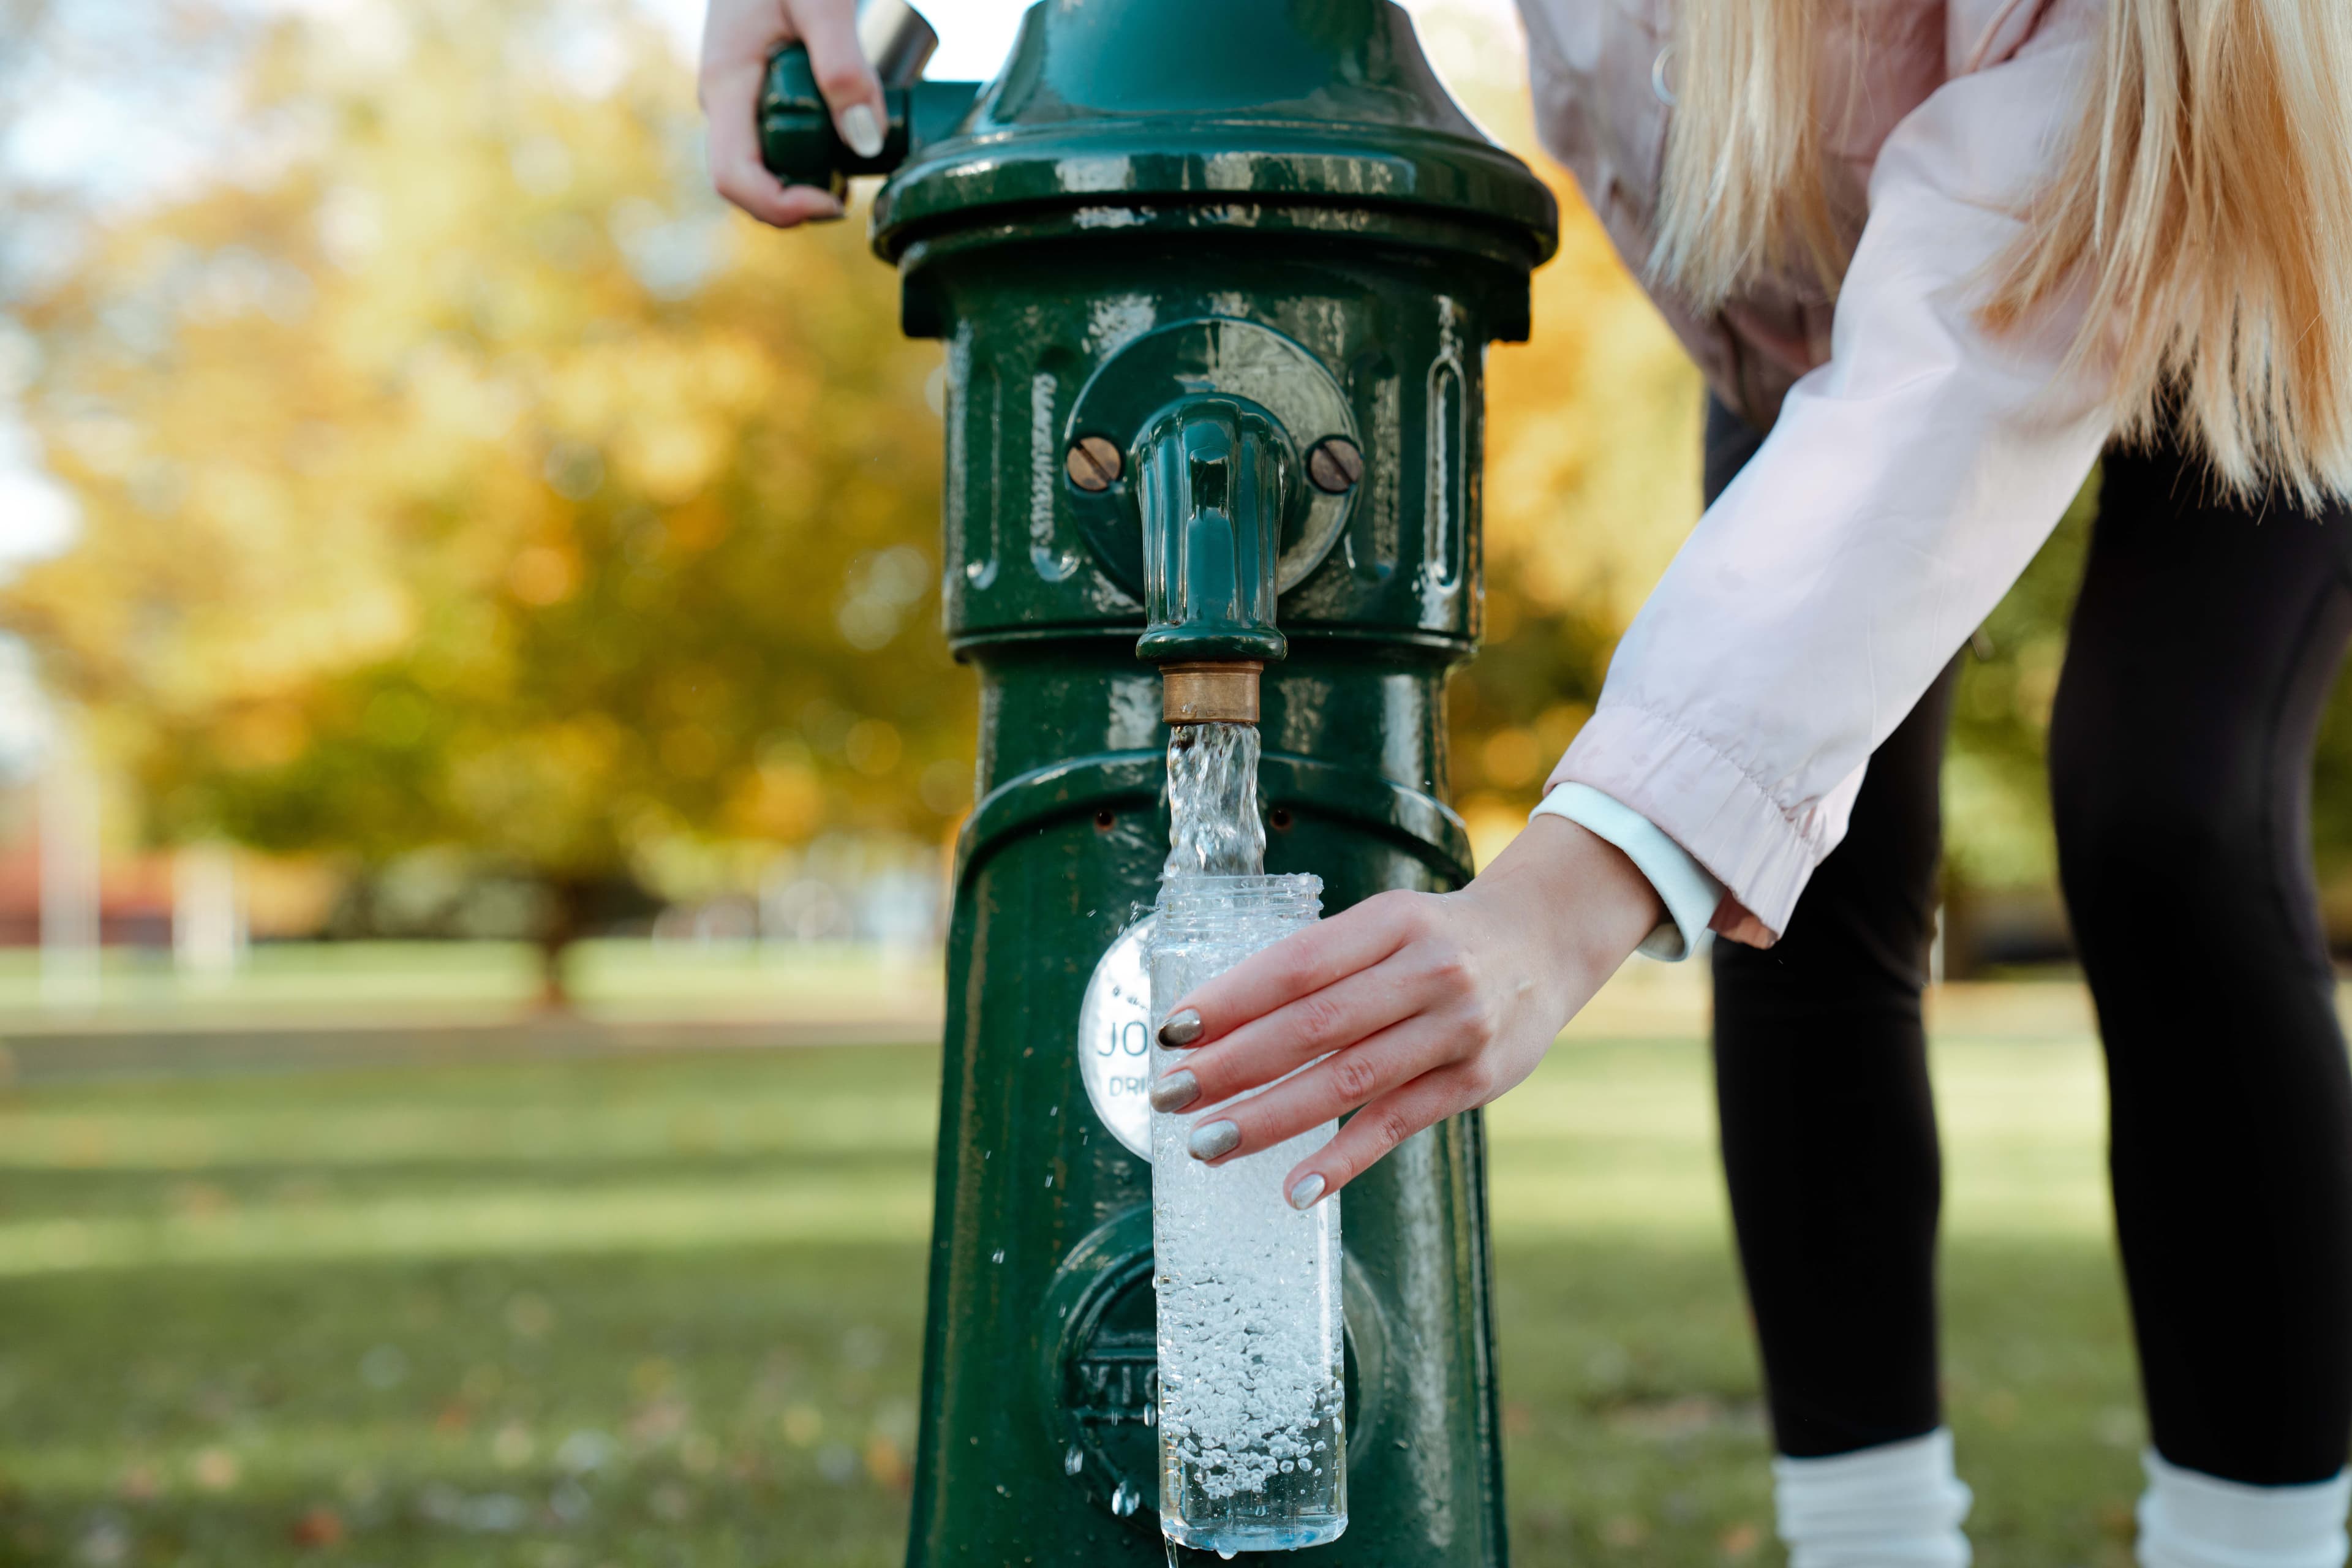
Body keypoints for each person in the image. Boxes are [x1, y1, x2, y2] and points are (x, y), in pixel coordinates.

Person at [701, 1, 2352, 1562]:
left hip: (2257, 217)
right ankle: (1866, 1542)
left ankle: (2255, 1540)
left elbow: (1973, 350)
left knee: (2164, 807)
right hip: (1805, 293)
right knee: (1808, 884)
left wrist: (1571, 895)